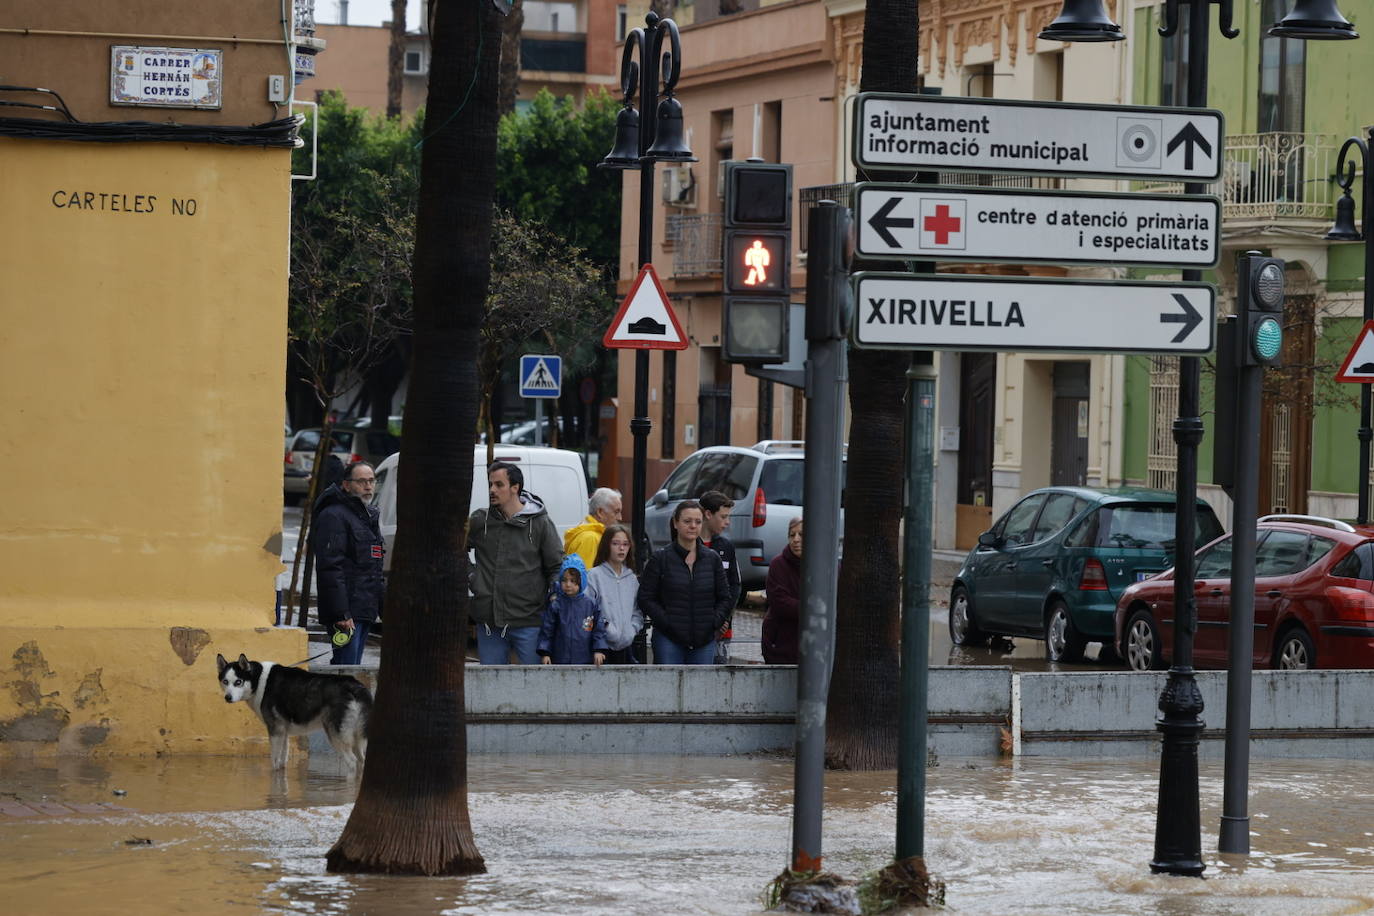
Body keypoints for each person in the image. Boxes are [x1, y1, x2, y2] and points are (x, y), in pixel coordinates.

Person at [469, 461, 563, 665]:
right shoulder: (479, 520)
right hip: (489, 622)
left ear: (515, 488)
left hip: (529, 621)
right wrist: (472, 577)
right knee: (491, 686)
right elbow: (454, 549)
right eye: (490, 484)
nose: (492, 490)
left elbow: (556, 565)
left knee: (534, 686)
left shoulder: (540, 523)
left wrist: (554, 596)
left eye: (499, 484)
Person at [638, 500, 732, 665]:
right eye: (687, 521)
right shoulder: (660, 559)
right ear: (675, 523)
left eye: (697, 521)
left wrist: (713, 622)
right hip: (669, 639)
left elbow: (725, 597)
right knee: (668, 687)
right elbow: (646, 597)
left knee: (699, 689)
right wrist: (666, 622)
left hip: (704, 641)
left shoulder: (712, 559)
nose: (693, 526)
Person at [312, 461, 384, 665]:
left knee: (352, 671)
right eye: (361, 481)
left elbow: (374, 568)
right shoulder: (334, 516)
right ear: (346, 485)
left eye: (371, 481)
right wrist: (340, 613)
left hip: (364, 610)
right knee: (345, 671)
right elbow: (330, 568)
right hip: (346, 613)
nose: (368, 486)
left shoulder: (366, 516)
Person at [585, 523, 642, 664]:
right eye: (615, 543)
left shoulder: (632, 579)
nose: (621, 548)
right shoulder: (594, 576)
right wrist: (606, 629)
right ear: (606, 545)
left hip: (627, 646)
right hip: (600, 647)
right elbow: (587, 613)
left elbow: (637, 610)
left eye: (626, 544)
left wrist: (631, 630)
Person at [538, 555, 608, 666]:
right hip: (560, 659)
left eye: (573, 581)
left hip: (585, 659)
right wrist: (545, 653)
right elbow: (547, 630)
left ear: (582, 581)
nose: (568, 584)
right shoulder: (556, 605)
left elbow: (599, 629)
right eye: (564, 580)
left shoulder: (590, 604)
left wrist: (598, 650)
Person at [698, 490, 740, 664]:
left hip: (722, 629)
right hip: (699, 627)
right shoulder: (690, 544)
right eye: (723, 517)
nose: (727, 522)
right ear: (708, 514)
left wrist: (724, 617)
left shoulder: (726, 547)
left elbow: (735, 585)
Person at [762, 516, 803, 665]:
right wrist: (812, 610)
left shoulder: (827, 566)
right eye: (792, 535)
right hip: (781, 646)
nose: (796, 540)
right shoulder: (778, 565)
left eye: (801, 534)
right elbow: (779, 602)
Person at [563, 487, 623, 568]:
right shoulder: (590, 538)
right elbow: (587, 577)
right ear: (600, 512)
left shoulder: (592, 534)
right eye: (616, 512)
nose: (620, 518)